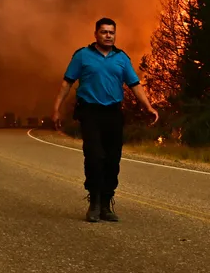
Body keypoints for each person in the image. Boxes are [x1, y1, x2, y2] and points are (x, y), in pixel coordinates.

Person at [52, 18, 158, 223]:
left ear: (115, 35)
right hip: (90, 112)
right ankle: (94, 202)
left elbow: (135, 84)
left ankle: (106, 203)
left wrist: (148, 106)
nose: (108, 35)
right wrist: (56, 109)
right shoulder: (82, 56)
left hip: (113, 113)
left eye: (111, 32)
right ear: (96, 34)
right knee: (94, 156)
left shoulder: (121, 58)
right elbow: (67, 84)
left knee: (112, 159)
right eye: (104, 32)